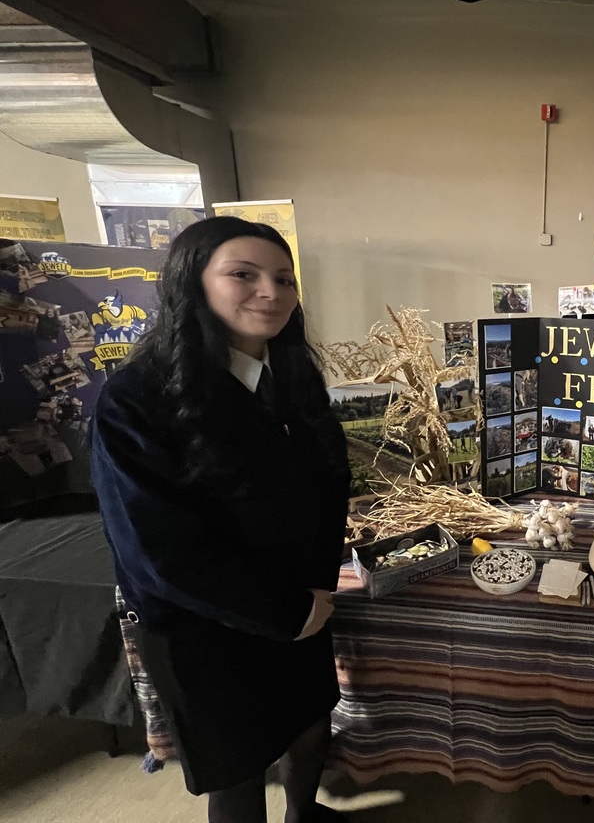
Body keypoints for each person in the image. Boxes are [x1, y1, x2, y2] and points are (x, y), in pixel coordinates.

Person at [90, 216, 352, 823]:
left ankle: (303, 813)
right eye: (244, 274)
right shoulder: (137, 400)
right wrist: (286, 610)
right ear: (194, 284)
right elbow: (157, 549)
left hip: (301, 602)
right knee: (236, 764)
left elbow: (327, 483)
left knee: (308, 721)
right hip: (206, 626)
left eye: (284, 279)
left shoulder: (289, 379)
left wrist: (314, 590)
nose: (272, 291)